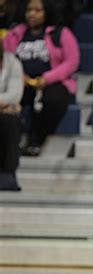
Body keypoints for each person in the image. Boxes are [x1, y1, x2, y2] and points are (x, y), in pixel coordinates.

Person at [3, 0, 80, 156]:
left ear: (47, 12)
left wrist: (47, 78)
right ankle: (11, 141)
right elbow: (6, 58)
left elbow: (72, 62)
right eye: (29, 10)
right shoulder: (15, 34)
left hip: (52, 83)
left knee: (54, 100)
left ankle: (36, 140)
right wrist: (19, 75)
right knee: (7, 100)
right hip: (20, 81)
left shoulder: (61, 33)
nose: (32, 14)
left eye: (38, 10)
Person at [0, 40, 24, 190]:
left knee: (11, 121)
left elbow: (14, 96)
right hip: (3, 108)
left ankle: (8, 175)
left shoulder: (13, 63)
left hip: (4, 113)